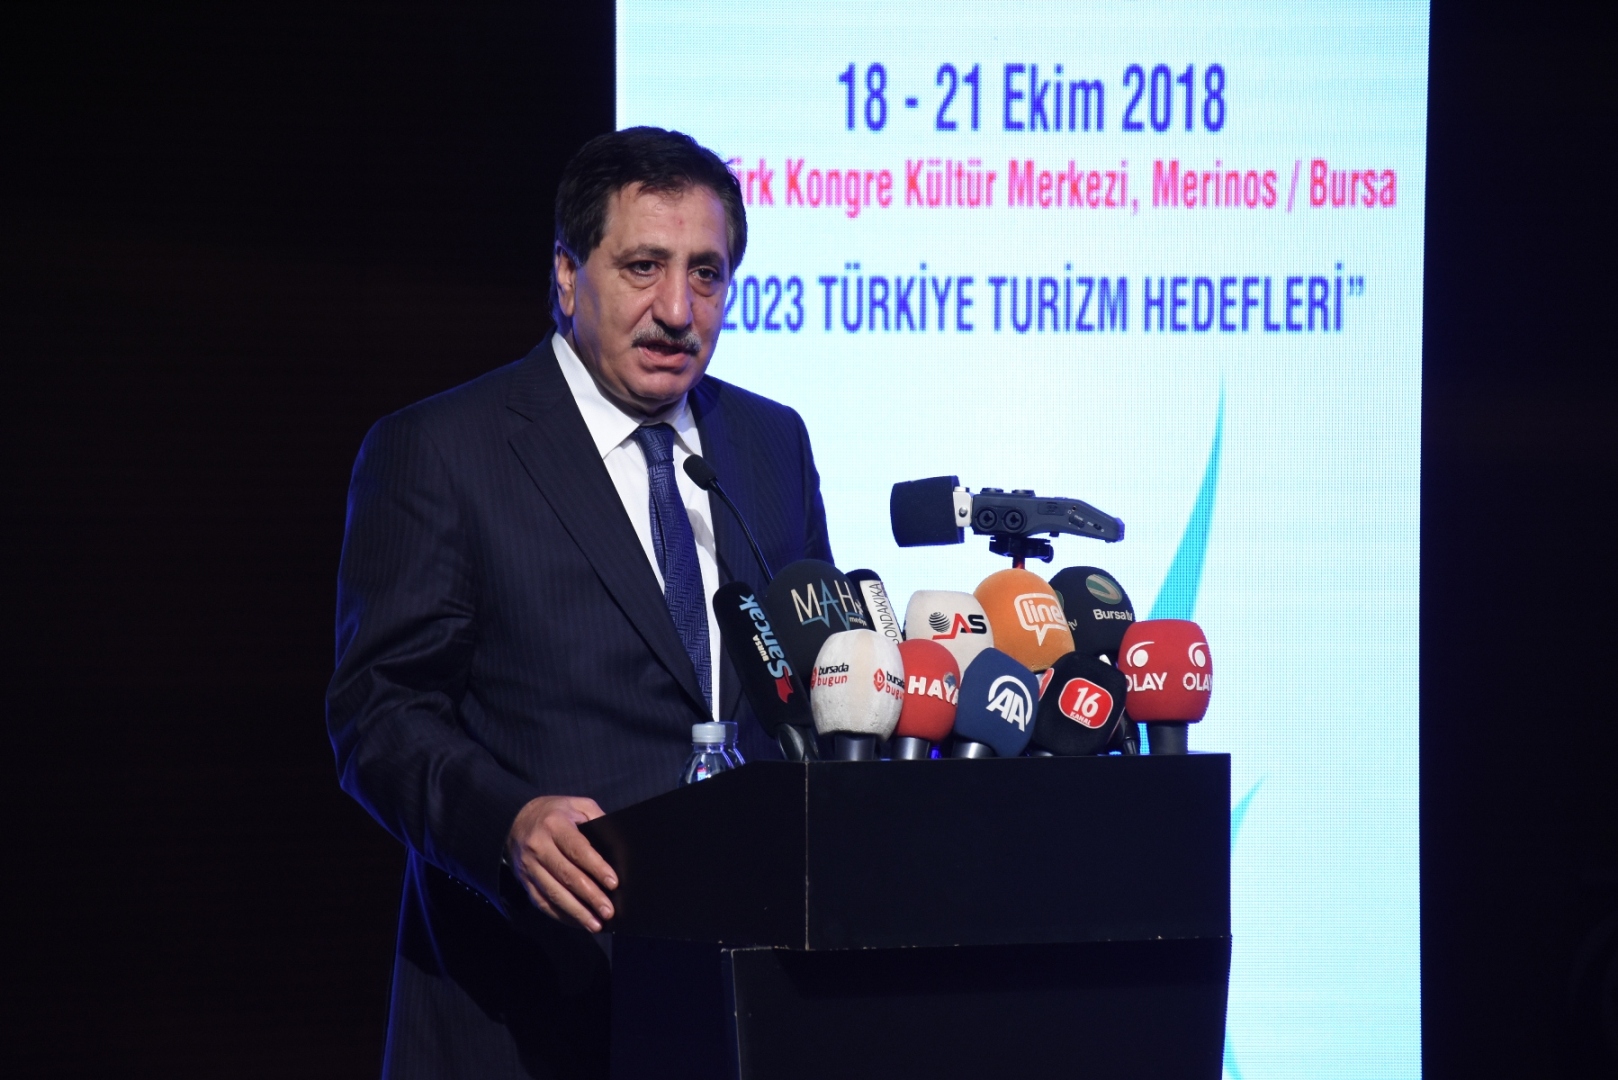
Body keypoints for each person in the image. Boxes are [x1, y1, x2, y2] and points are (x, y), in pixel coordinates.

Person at [327, 126, 833, 1079]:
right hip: (529, 1006)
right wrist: (507, 824)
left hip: (741, 1007)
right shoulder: (444, 450)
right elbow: (379, 715)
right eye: (643, 267)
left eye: (707, 274)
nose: (677, 310)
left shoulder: (771, 444)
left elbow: (813, 679)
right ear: (567, 276)